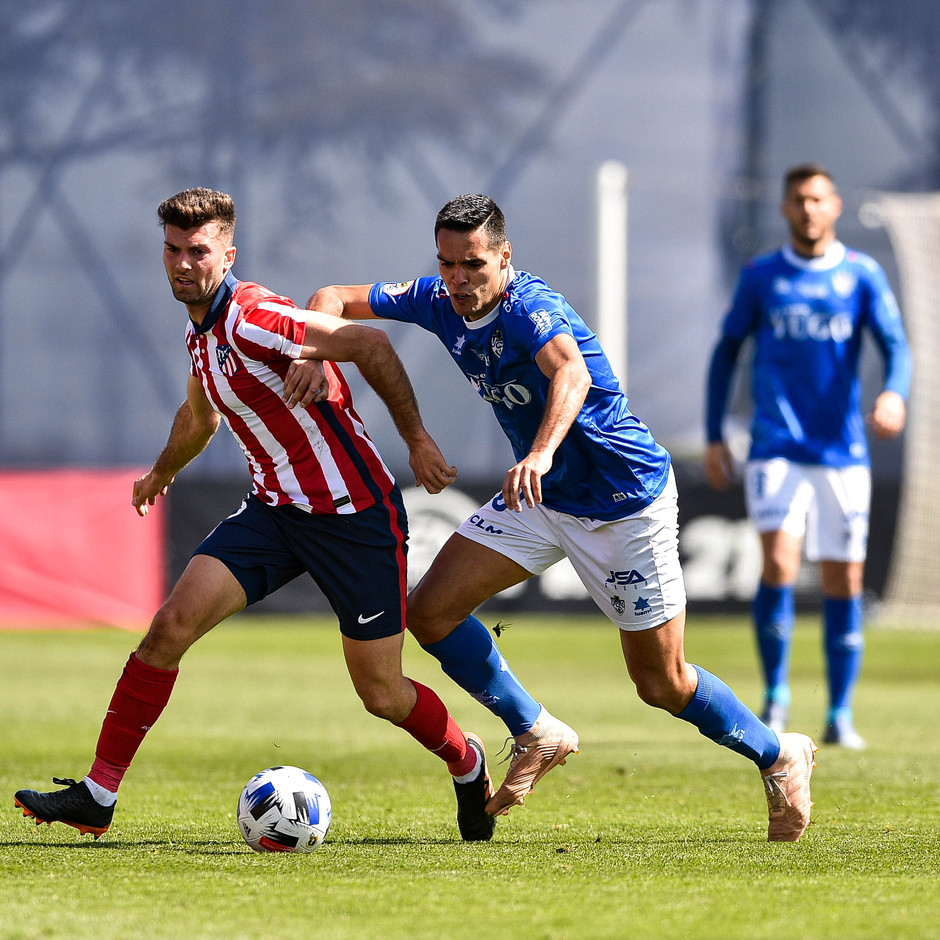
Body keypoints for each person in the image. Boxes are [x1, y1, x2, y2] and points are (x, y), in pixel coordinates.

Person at [307, 193, 817, 842]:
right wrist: (316, 354)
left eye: (473, 265)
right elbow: (330, 297)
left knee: (662, 683)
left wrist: (542, 452)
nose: (458, 280)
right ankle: (537, 730)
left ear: (504, 258)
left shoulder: (531, 308)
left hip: (623, 504)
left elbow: (570, 373)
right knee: (430, 612)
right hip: (545, 501)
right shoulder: (439, 299)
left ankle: (778, 754)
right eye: (446, 264)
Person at [14, 187, 498, 843]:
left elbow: (371, 345)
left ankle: (466, 763)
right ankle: (98, 796)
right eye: (174, 249)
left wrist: (414, 439)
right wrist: (164, 469)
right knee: (169, 629)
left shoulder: (254, 317)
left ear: (227, 254)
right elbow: (201, 415)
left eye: (199, 251)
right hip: (275, 512)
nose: (184, 263)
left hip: (354, 516)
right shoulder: (199, 332)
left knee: (382, 694)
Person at [704, 163, 911, 750]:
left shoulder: (862, 275)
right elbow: (726, 352)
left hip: (842, 452)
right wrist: (717, 433)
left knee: (846, 577)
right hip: (777, 447)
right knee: (779, 566)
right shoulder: (762, 276)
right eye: (798, 200)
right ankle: (776, 695)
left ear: (835, 206)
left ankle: (841, 713)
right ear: (785, 209)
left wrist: (894, 393)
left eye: (818, 199)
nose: (809, 209)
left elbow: (896, 345)